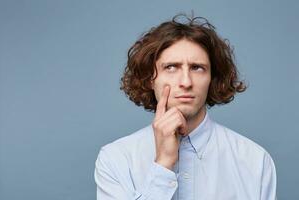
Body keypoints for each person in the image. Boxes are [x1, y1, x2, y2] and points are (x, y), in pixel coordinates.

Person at [94, 14, 277, 200]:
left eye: (197, 68)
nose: (186, 82)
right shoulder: (116, 158)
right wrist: (163, 165)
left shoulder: (255, 161)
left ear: (212, 79)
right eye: (171, 67)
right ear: (150, 79)